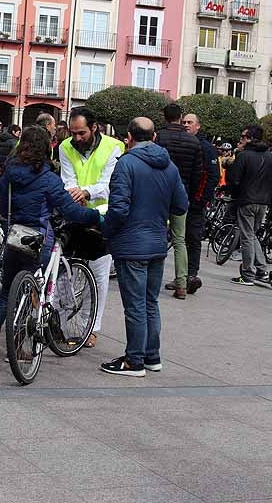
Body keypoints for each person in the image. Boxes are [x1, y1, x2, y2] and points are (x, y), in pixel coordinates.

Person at [0, 126, 103, 355]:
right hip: (39, 238)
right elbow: (69, 210)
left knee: (8, 289)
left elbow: (1, 206)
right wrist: (96, 217)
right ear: (46, 148)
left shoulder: (9, 174)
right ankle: (17, 348)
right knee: (31, 290)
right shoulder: (48, 178)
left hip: (14, 235)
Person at [101, 117, 188, 377]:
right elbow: (181, 205)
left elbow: (118, 208)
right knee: (150, 302)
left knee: (135, 305)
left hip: (132, 244)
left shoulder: (126, 163)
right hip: (157, 242)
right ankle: (152, 355)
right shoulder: (169, 166)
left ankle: (134, 360)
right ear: (154, 137)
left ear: (129, 136)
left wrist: (107, 231)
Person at [57, 106, 123, 347]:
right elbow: (67, 179)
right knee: (63, 272)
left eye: (81, 133)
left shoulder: (114, 147)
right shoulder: (65, 147)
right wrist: (75, 193)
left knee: (99, 275)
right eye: (73, 133)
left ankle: (91, 327)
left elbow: (109, 184)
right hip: (73, 213)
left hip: (101, 217)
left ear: (94, 128)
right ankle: (60, 325)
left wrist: (86, 192)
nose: (76, 138)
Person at [155, 104, 203, 300]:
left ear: (165, 117)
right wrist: (189, 194)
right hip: (181, 192)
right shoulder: (193, 141)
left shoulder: (159, 138)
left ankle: (152, 281)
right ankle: (182, 284)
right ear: (180, 117)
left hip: (159, 193)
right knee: (179, 239)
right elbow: (198, 173)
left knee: (156, 234)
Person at [227, 124, 272, 286]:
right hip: (263, 201)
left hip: (247, 200)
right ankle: (261, 270)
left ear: (250, 138)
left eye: (243, 137)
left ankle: (248, 274)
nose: (240, 140)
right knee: (252, 234)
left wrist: (233, 194)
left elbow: (235, 180)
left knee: (247, 236)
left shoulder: (244, 156)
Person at [178, 112, 220, 292]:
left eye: (190, 122)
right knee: (180, 240)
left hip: (195, 202)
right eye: (184, 122)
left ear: (198, 126)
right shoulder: (183, 143)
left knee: (193, 239)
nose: (186, 125)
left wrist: (201, 200)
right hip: (180, 201)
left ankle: (191, 275)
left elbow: (213, 176)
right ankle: (181, 277)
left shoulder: (206, 147)